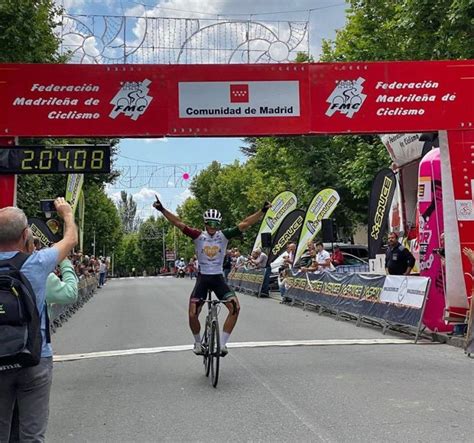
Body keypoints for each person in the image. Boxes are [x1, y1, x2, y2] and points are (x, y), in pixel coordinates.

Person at [0, 198, 78, 442]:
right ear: (26, 235)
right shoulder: (37, 262)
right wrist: (66, 215)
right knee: (32, 435)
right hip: (34, 355)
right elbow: (70, 240)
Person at [153, 196, 270, 357]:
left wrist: (262, 211)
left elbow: (246, 223)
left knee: (235, 308)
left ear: (219, 224)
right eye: (209, 223)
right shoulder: (198, 235)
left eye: (215, 224)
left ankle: (222, 343)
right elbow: (178, 223)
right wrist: (162, 210)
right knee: (193, 312)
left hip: (218, 278)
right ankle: (197, 342)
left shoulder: (224, 235)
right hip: (203, 278)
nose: (212, 227)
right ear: (205, 223)